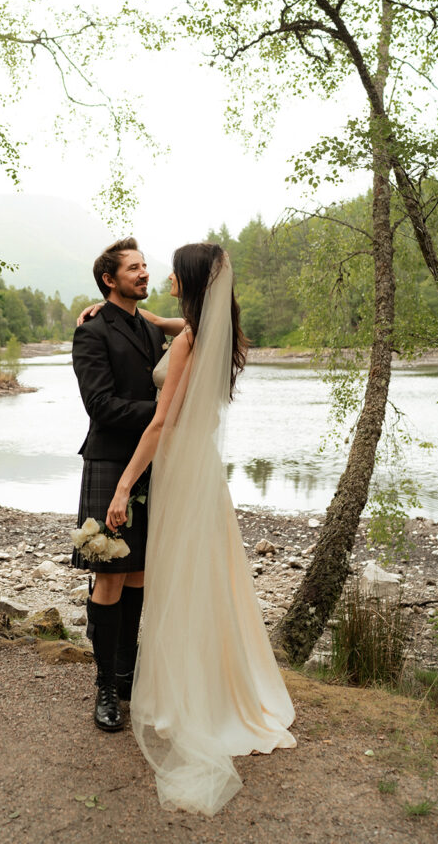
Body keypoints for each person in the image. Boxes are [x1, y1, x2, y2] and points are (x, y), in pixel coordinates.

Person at [101, 242, 296, 816]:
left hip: (180, 468)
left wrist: (121, 486)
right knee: (209, 578)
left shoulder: (188, 341)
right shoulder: (219, 337)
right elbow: (173, 325)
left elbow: (161, 421)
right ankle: (218, 687)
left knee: (183, 580)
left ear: (187, 280)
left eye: (172, 271)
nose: (161, 276)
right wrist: (113, 311)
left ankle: (195, 700)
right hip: (205, 469)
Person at [71, 237, 181, 732]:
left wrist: (157, 320)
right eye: (133, 269)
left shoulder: (149, 326)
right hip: (110, 461)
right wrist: (163, 415)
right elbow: (100, 405)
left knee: (139, 574)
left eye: (145, 267)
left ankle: (127, 672)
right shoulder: (93, 331)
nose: (144, 274)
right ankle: (104, 690)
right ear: (108, 280)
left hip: (152, 462)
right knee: (111, 574)